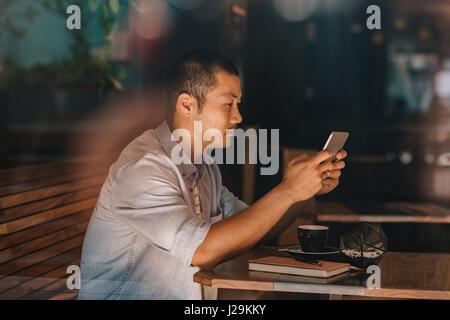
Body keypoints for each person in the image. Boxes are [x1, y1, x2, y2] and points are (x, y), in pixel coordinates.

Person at [78, 50, 347, 300]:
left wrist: (301, 192)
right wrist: (288, 190)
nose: (238, 116)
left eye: (238, 104)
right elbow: (202, 251)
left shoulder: (203, 167)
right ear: (187, 105)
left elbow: (254, 230)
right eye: (228, 104)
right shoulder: (143, 169)